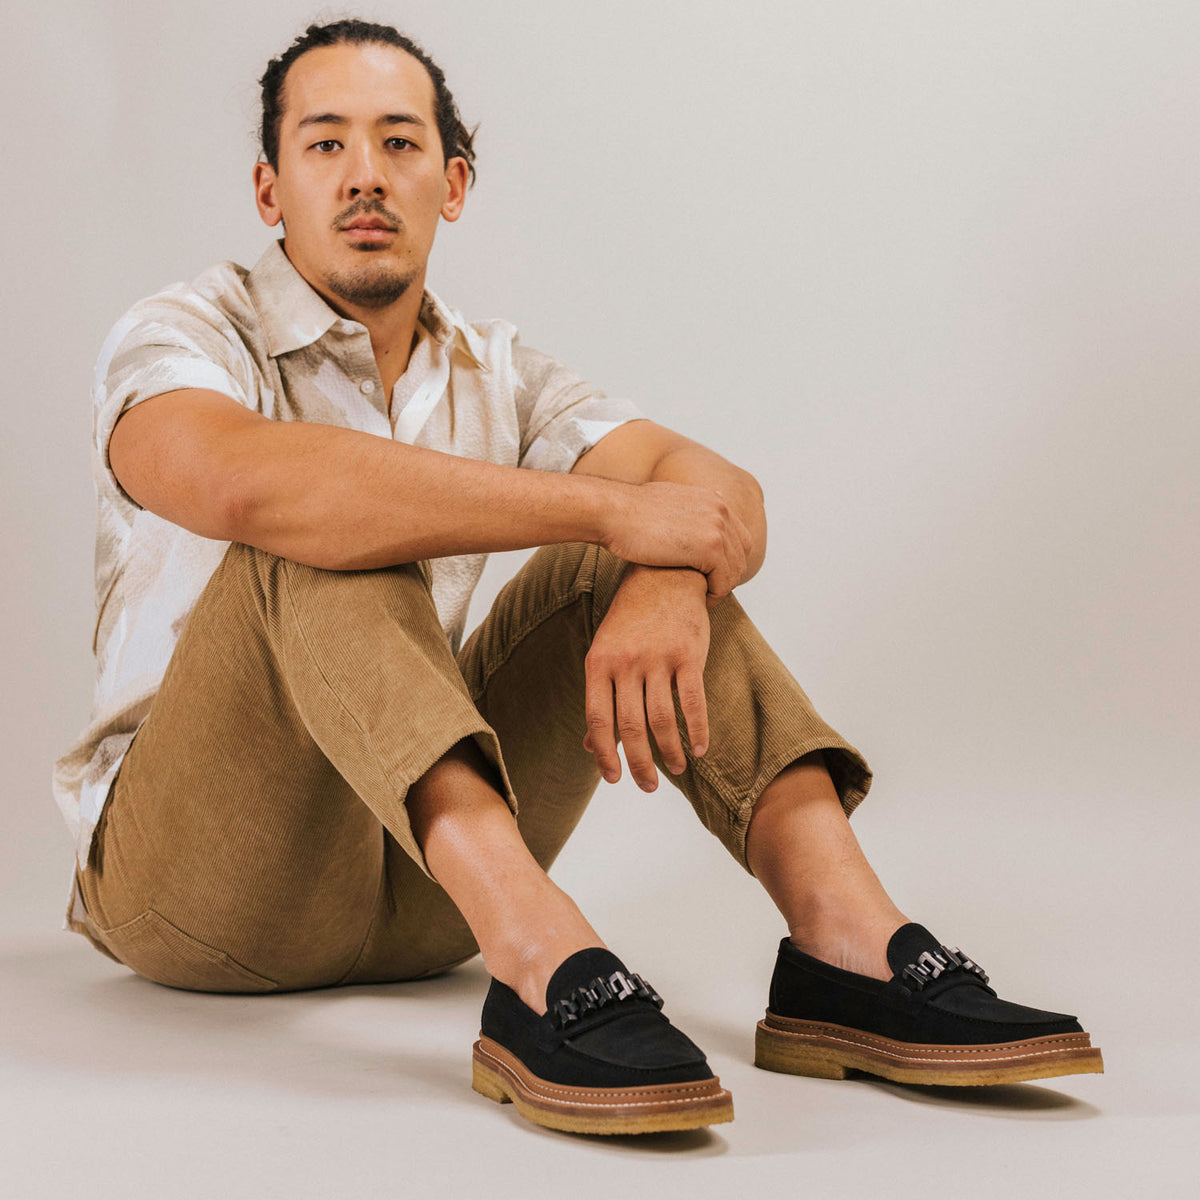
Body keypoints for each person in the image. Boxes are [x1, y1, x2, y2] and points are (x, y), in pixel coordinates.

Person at [53, 18, 1102, 1136]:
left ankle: (848, 956)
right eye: (325, 145)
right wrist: (618, 512)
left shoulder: (496, 369)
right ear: (269, 189)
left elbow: (718, 493)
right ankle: (545, 955)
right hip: (194, 888)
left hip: (422, 892)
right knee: (322, 524)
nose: (366, 174)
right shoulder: (184, 330)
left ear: (453, 184)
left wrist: (655, 575)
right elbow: (245, 483)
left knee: (635, 554)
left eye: (401, 143)